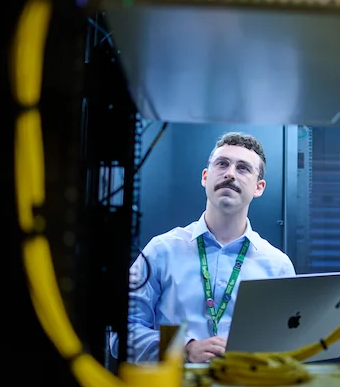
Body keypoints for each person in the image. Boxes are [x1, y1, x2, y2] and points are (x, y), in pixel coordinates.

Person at [111, 132, 296, 363]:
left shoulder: (277, 266)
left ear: (259, 187)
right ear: (205, 177)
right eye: (222, 164)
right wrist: (182, 349)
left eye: (243, 168)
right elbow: (120, 332)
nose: (230, 173)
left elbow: (289, 345)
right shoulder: (161, 251)